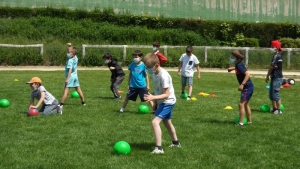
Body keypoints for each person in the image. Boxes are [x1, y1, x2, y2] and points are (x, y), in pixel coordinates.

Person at [143, 53, 180, 154]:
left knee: (155, 122)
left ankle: (159, 148)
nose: (147, 70)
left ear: (157, 65)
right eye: (146, 67)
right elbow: (156, 89)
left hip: (168, 101)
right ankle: (176, 143)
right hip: (161, 101)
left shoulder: (164, 76)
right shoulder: (153, 73)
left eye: (149, 68)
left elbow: (166, 94)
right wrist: (155, 103)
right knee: (167, 122)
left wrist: (153, 97)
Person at [228, 50, 254, 126]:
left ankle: (241, 123)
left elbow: (247, 74)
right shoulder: (238, 64)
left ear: (237, 59)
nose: (231, 58)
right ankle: (249, 121)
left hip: (247, 87)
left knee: (241, 104)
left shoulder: (239, 65)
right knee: (246, 104)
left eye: (232, 57)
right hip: (250, 86)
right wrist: (232, 69)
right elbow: (240, 68)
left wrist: (242, 84)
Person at [58, 46, 85, 114]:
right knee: (79, 90)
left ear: (72, 53)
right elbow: (73, 50)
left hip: (70, 77)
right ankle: (83, 103)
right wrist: (70, 46)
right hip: (75, 76)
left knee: (66, 91)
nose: (67, 53)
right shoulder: (76, 58)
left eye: (68, 52)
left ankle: (61, 104)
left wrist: (67, 79)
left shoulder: (70, 61)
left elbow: (70, 70)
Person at [265, 40, 283, 114]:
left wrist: (267, 76)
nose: (271, 48)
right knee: (271, 94)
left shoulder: (277, 56)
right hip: (274, 77)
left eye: (272, 47)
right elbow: (274, 66)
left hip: (277, 77)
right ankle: (274, 108)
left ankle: (278, 110)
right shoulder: (275, 56)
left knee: (276, 94)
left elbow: (272, 66)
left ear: (277, 47)